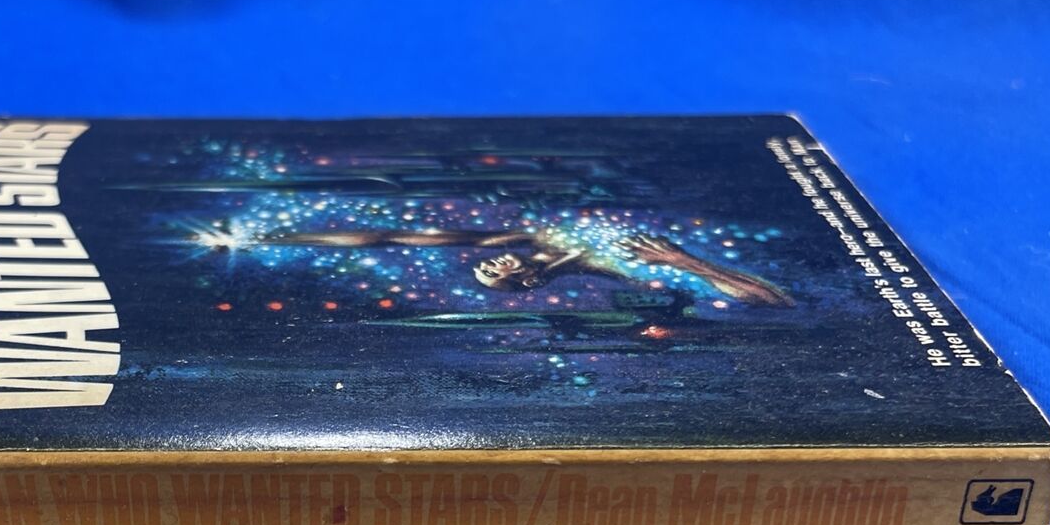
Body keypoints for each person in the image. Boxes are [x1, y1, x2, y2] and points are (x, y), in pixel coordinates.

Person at [260, 226, 793, 306]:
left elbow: (386, 237)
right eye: (493, 274)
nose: (490, 263)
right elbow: (773, 301)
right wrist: (681, 259)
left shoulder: (521, 236)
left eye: (486, 267)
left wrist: (274, 237)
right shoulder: (612, 271)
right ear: (528, 281)